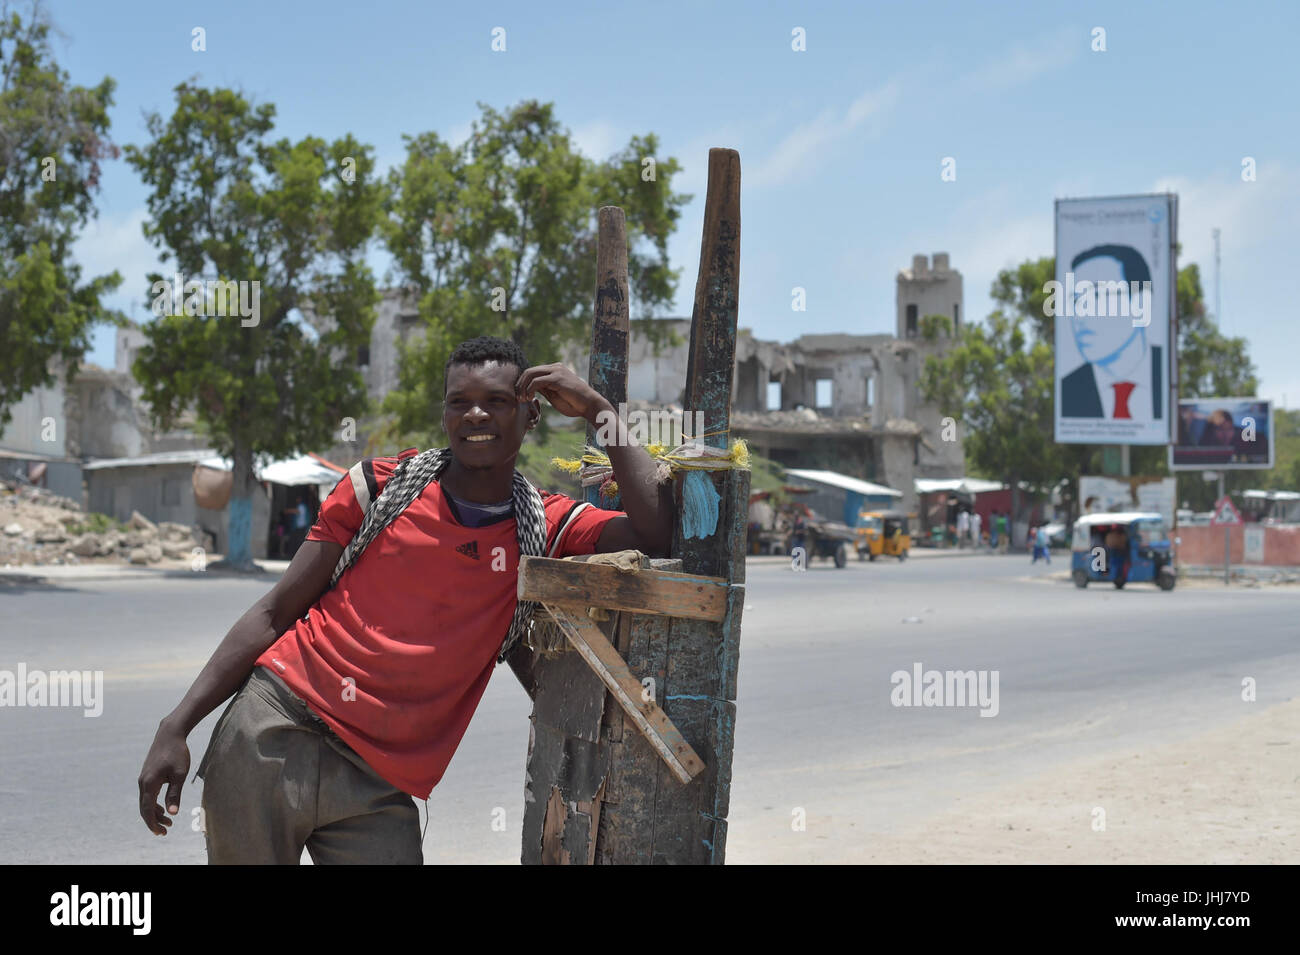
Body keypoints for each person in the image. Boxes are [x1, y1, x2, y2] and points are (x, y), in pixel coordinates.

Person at [137, 337, 675, 864]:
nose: (476, 415)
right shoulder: (378, 488)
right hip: (271, 731)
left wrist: (599, 410)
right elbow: (276, 611)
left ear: (530, 416)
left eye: (497, 401)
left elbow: (654, 532)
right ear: (444, 415)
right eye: (459, 402)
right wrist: (176, 725)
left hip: (378, 780)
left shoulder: (543, 525)